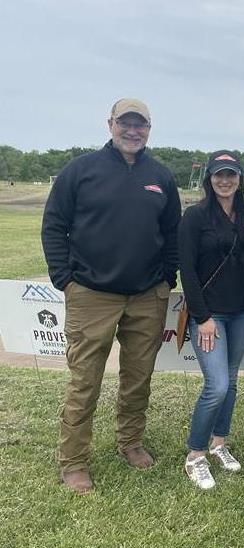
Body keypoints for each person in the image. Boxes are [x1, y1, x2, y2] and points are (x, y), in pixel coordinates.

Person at [41, 98, 181, 494]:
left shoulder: (161, 176)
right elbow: (54, 224)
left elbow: (173, 233)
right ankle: (74, 462)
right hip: (91, 294)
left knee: (138, 379)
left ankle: (130, 442)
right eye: (126, 123)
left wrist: (166, 279)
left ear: (149, 129)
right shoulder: (81, 170)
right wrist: (64, 278)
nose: (133, 131)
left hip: (146, 295)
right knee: (85, 381)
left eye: (141, 125)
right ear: (111, 124)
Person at [178, 151, 244, 490]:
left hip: (242, 312)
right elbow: (188, 270)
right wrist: (203, 317)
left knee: (233, 381)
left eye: (231, 174)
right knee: (217, 386)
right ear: (209, 178)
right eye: (218, 175)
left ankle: (219, 443)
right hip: (210, 316)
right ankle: (195, 455)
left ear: (239, 179)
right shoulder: (195, 216)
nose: (225, 181)